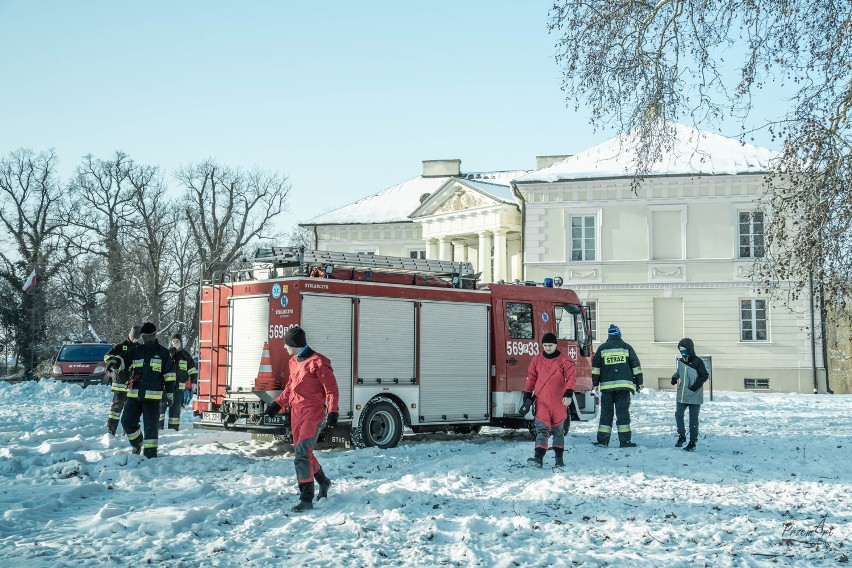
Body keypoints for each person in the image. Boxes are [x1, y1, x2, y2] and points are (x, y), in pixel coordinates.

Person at [264, 325, 339, 512]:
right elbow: (290, 388)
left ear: (295, 344)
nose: (284, 347)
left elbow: (331, 390)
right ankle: (324, 482)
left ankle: (306, 498)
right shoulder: (293, 361)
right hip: (296, 414)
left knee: (301, 454)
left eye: (286, 343)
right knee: (305, 453)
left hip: (313, 415)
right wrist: (276, 405)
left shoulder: (319, 362)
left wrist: (333, 411)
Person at [106, 322, 175, 458]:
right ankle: (137, 442)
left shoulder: (163, 353)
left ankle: (150, 456)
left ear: (154, 335)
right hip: (134, 395)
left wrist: (170, 394)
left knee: (151, 428)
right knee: (126, 421)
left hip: (152, 398)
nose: (145, 338)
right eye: (143, 336)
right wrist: (114, 362)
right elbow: (123, 359)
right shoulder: (136, 350)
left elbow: (170, 375)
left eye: (147, 336)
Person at [519, 332, 577, 468]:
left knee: (558, 431)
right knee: (541, 430)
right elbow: (531, 377)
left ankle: (559, 459)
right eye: (545, 345)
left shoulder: (564, 360)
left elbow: (571, 378)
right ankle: (538, 458)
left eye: (550, 345)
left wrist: (568, 394)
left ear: (555, 345)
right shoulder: (537, 359)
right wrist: (527, 393)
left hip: (559, 402)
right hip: (542, 401)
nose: (547, 348)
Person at [591, 324, 643, 448]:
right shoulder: (626, 347)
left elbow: (596, 368)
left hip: (607, 388)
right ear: (619, 334)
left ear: (609, 335)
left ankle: (603, 441)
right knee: (622, 414)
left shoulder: (602, 349)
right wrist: (639, 382)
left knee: (606, 414)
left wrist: (595, 383)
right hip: (623, 388)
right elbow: (635, 366)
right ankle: (624, 441)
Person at [671, 338, 709, 451]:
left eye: (684, 349)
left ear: (690, 349)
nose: (682, 352)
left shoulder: (698, 362)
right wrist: (674, 377)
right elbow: (679, 372)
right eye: (680, 350)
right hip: (682, 394)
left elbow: (704, 375)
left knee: (693, 419)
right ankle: (682, 436)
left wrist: (695, 386)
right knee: (678, 415)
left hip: (694, 394)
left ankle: (693, 442)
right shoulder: (681, 361)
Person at [103, 325, 141, 436]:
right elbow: (107, 356)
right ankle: (111, 430)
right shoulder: (121, 346)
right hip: (119, 381)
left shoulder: (140, 347)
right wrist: (112, 361)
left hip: (133, 382)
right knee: (116, 408)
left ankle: (128, 431)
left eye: (137, 338)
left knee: (130, 409)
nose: (135, 340)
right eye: (133, 338)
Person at [160, 333, 197, 430]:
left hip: (178, 388)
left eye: (177, 341)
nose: (175, 343)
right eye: (173, 341)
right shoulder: (166, 354)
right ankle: (158, 429)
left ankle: (173, 429)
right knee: (161, 408)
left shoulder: (185, 355)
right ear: (171, 342)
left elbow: (192, 370)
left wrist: (194, 382)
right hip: (165, 387)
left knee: (175, 409)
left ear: (181, 342)